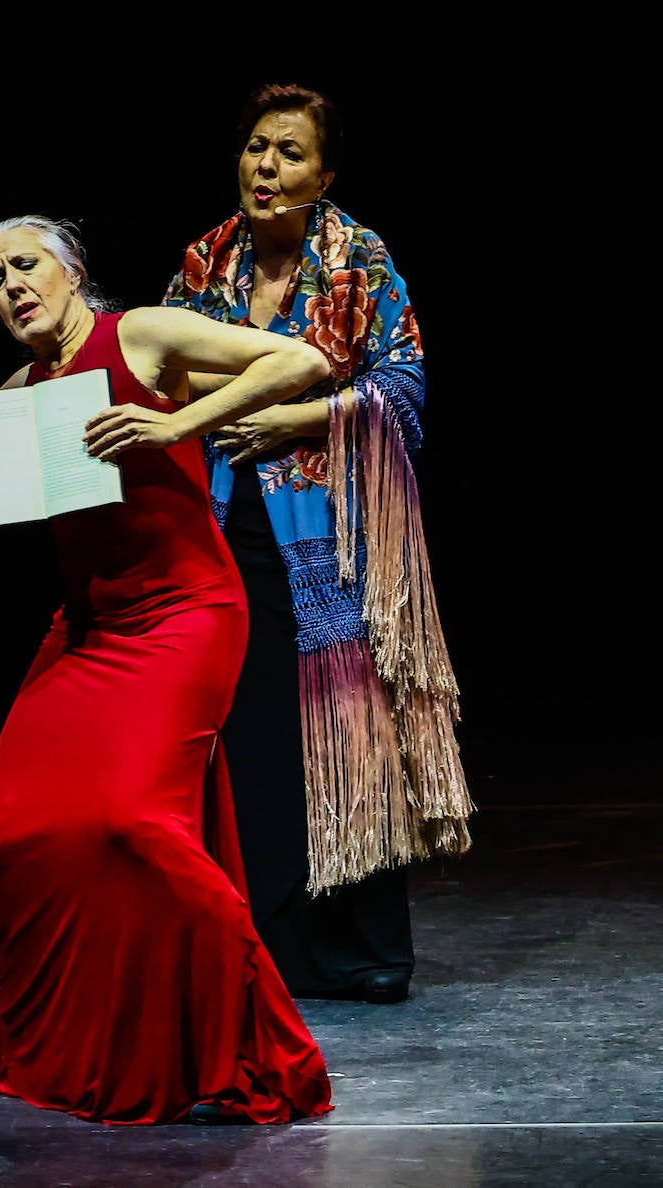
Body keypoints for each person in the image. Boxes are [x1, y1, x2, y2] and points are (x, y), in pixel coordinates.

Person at [0, 214, 333, 1126]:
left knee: (133, 828)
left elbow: (298, 362)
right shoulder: (20, 393)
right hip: (92, 629)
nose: (11, 287)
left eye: (25, 266)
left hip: (186, 613)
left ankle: (256, 1044)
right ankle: (36, 1034)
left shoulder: (138, 335)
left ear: (69, 271)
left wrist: (172, 423)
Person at [159, 82, 474, 1005]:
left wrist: (291, 417)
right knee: (251, 738)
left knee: (350, 732)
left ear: (325, 173)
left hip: (334, 533)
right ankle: (271, 944)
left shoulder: (357, 262)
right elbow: (159, 371)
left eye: (290, 153)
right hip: (223, 528)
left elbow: (404, 388)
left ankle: (365, 950)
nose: (268, 167)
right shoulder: (204, 262)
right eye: (257, 147)